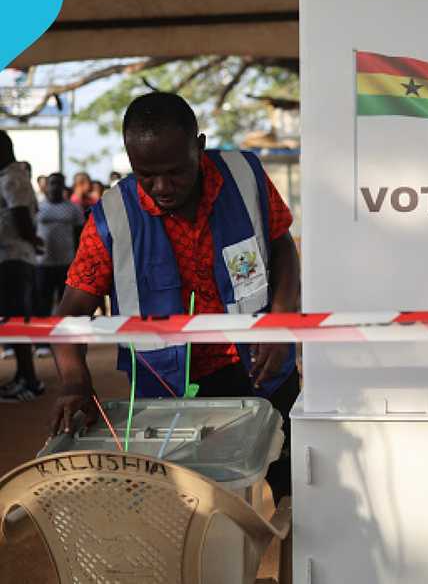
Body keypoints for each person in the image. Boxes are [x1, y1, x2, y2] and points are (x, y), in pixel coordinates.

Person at [51, 92, 302, 504]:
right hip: (169, 394)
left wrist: (281, 321)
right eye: (146, 174)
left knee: (296, 489)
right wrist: (75, 384)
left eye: (176, 172)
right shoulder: (112, 218)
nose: (161, 187)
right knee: (186, 507)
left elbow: (280, 245)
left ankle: (295, 567)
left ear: (199, 147)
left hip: (261, 366)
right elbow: (69, 317)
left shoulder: (244, 176)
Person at [0, 130, 46, 400]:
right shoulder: (10, 176)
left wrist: (30, 239)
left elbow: (19, 215)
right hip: (13, 256)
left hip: (13, 258)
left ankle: (29, 381)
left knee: (16, 320)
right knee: (13, 320)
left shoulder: (12, 178)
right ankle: (22, 376)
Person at [34, 172, 85, 358]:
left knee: (66, 304)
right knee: (43, 303)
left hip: (66, 263)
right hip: (43, 263)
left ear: (63, 186)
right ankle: (41, 343)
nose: (55, 187)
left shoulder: (73, 209)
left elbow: (80, 235)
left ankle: (66, 342)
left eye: (59, 184)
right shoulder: (38, 208)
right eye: (52, 183)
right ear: (47, 186)